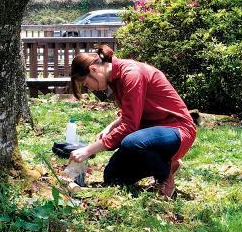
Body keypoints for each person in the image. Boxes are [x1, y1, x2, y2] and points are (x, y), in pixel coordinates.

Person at [69, 44, 196, 199]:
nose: (91, 89)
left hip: (177, 129)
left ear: (94, 70)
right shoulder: (114, 79)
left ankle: (165, 176)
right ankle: (167, 161)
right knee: (113, 177)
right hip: (149, 133)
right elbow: (130, 113)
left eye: (87, 84)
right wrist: (110, 127)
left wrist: (88, 150)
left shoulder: (131, 73)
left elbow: (130, 126)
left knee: (131, 142)